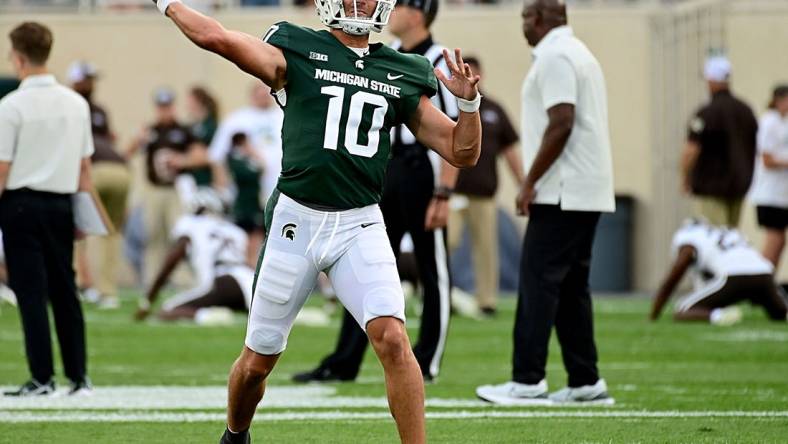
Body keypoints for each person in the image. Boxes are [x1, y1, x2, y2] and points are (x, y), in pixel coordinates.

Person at [153, 0, 481, 442]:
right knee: (257, 362)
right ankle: (235, 433)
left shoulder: (402, 69)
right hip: (297, 219)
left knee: (393, 340)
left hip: (360, 222)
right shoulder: (298, 46)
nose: (362, 3)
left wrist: (470, 105)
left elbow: (462, 152)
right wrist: (167, 3)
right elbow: (217, 37)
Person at [294, 0, 459, 385]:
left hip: (423, 170)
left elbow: (451, 130)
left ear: (417, 14)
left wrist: (444, 193)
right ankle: (345, 360)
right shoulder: (393, 56)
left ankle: (427, 359)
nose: (390, 12)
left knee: (433, 270)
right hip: (388, 169)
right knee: (364, 264)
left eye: (400, 7)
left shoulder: (437, 59)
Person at [476, 0, 615, 406]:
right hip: (585, 189)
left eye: (524, 19)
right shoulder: (579, 52)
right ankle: (585, 380)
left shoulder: (555, 56)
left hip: (562, 190)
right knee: (571, 287)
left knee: (538, 281)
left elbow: (562, 121)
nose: (522, 27)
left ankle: (528, 380)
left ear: (537, 19)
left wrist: (529, 181)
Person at [0, 21, 95, 396]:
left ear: (18, 57)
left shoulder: (10, 106)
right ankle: (79, 376)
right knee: (65, 291)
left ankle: (42, 377)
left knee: (31, 292)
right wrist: (85, 214)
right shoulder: (76, 103)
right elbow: (84, 168)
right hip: (62, 202)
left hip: (21, 204)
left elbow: (2, 169)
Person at [448, 56, 523, 317]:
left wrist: (523, 184)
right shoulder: (450, 106)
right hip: (453, 192)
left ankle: (486, 301)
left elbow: (510, 150)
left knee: (486, 248)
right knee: (446, 240)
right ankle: (439, 295)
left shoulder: (494, 109)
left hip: (483, 192)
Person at [126, 87, 210, 288]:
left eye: (168, 106)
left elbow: (202, 156)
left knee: (177, 233)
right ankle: (153, 279)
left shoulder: (182, 131)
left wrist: (181, 160)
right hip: (153, 190)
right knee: (152, 234)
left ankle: (180, 278)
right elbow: (128, 152)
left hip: (175, 190)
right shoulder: (150, 131)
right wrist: (139, 140)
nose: (165, 111)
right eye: (161, 106)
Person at [134, 189, 253, 323]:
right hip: (250, 280)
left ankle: (210, 317)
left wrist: (149, 299)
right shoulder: (234, 230)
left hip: (221, 281)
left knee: (167, 310)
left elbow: (172, 260)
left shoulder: (189, 223)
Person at [68, 60, 131, 309]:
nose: (91, 84)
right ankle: (106, 291)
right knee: (109, 233)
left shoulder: (70, 106)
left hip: (95, 170)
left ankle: (82, 285)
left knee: (79, 232)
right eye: (87, 79)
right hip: (120, 171)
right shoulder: (98, 110)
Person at [650, 220, 788, 325]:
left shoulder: (688, 238)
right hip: (765, 274)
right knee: (779, 313)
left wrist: (654, 312)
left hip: (734, 277)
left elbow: (676, 273)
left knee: (683, 309)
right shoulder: (722, 232)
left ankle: (718, 316)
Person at [682, 54, 758, 227]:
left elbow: (691, 149)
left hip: (712, 187)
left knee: (714, 237)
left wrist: (685, 177)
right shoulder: (746, 111)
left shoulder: (706, 113)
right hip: (740, 185)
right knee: (732, 238)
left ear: (711, 79)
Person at [209, 82, 283, 202]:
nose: (263, 98)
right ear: (252, 96)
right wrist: (221, 186)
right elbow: (217, 154)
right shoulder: (237, 119)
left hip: (279, 185)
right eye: (259, 95)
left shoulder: (282, 116)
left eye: (266, 94)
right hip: (248, 189)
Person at [748, 85, 788, 269]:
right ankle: (759, 280)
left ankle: (767, 282)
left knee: (780, 241)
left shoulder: (783, 122)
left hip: (781, 194)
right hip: (769, 194)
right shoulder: (769, 122)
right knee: (775, 238)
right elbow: (767, 159)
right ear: (779, 100)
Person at [226, 132, 266, 265]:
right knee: (246, 237)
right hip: (244, 205)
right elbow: (252, 174)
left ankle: (252, 262)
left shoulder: (247, 159)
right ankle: (248, 264)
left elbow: (262, 168)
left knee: (257, 235)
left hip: (254, 203)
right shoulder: (235, 160)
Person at [187, 85, 220, 186]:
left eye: (190, 101)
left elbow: (207, 155)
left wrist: (179, 160)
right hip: (196, 180)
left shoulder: (210, 126)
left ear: (198, 102)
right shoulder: (193, 126)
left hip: (209, 180)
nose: (187, 105)